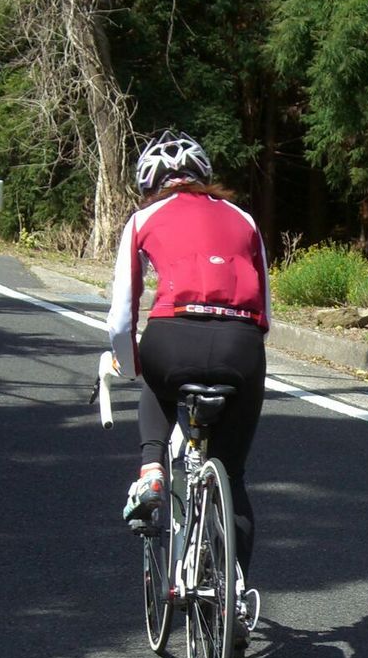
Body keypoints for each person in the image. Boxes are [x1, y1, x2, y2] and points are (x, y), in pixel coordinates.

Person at [106, 129, 271, 617]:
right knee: (232, 476)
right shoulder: (244, 219)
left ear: (149, 185)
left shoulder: (143, 219)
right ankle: (234, 600)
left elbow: (121, 317)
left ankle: (152, 470)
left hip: (173, 335)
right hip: (241, 344)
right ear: (204, 176)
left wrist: (129, 364)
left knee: (155, 381)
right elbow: (265, 313)